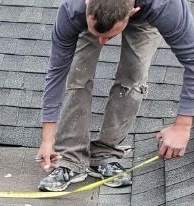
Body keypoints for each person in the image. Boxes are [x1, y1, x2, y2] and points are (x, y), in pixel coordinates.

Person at [37, 0, 194, 191]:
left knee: (134, 74)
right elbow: (56, 73)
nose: (102, 41)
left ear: (132, 11)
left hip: (144, 16)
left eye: (109, 36)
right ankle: (70, 159)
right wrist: (47, 140)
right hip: (90, 14)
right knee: (77, 73)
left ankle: (106, 152)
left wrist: (182, 127)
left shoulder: (164, 5)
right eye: (98, 35)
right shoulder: (73, 9)